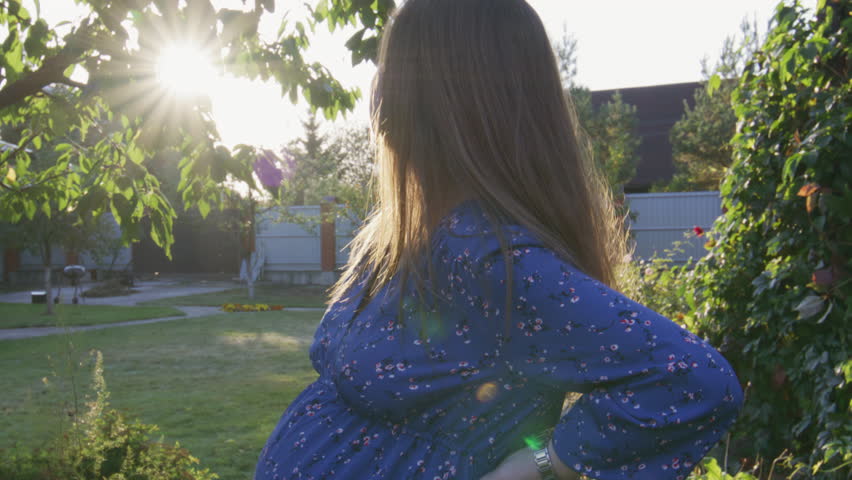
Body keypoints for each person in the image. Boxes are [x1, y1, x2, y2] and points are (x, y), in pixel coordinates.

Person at [254, 0, 743, 478]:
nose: (377, 85)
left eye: (392, 65)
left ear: (449, 97)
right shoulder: (398, 235)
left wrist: (538, 465)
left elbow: (694, 379)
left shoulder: (485, 257)